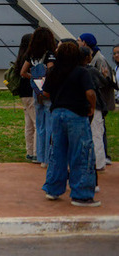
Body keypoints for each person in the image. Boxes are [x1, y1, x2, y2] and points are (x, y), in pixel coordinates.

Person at [41, 40, 100, 206]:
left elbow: (45, 93)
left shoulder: (53, 71)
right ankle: (81, 195)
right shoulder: (81, 72)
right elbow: (90, 93)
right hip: (76, 114)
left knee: (57, 152)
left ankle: (53, 189)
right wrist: (92, 107)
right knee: (81, 153)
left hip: (57, 114)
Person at [21, 27, 57, 166]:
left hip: (36, 92)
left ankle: (40, 156)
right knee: (49, 125)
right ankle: (48, 158)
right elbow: (51, 71)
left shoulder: (31, 54)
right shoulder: (49, 54)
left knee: (40, 125)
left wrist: (34, 78)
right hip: (48, 91)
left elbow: (23, 72)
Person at [79, 33, 116, 167]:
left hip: (95, 103)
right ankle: (98, 161)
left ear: (85, 43)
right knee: (96, 132)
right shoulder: (91, 67)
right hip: (95, 103)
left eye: (79, 40)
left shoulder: (98, 61)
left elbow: (104, 83)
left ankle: (99, 161)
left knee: (96, 132)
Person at [14, 33, 36, 162]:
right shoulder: (31, 57)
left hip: (23, 93)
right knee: (37, 124)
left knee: (29, 124)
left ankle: (29, 151)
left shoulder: (20, 57)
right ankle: (36, 153)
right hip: (31, 92)